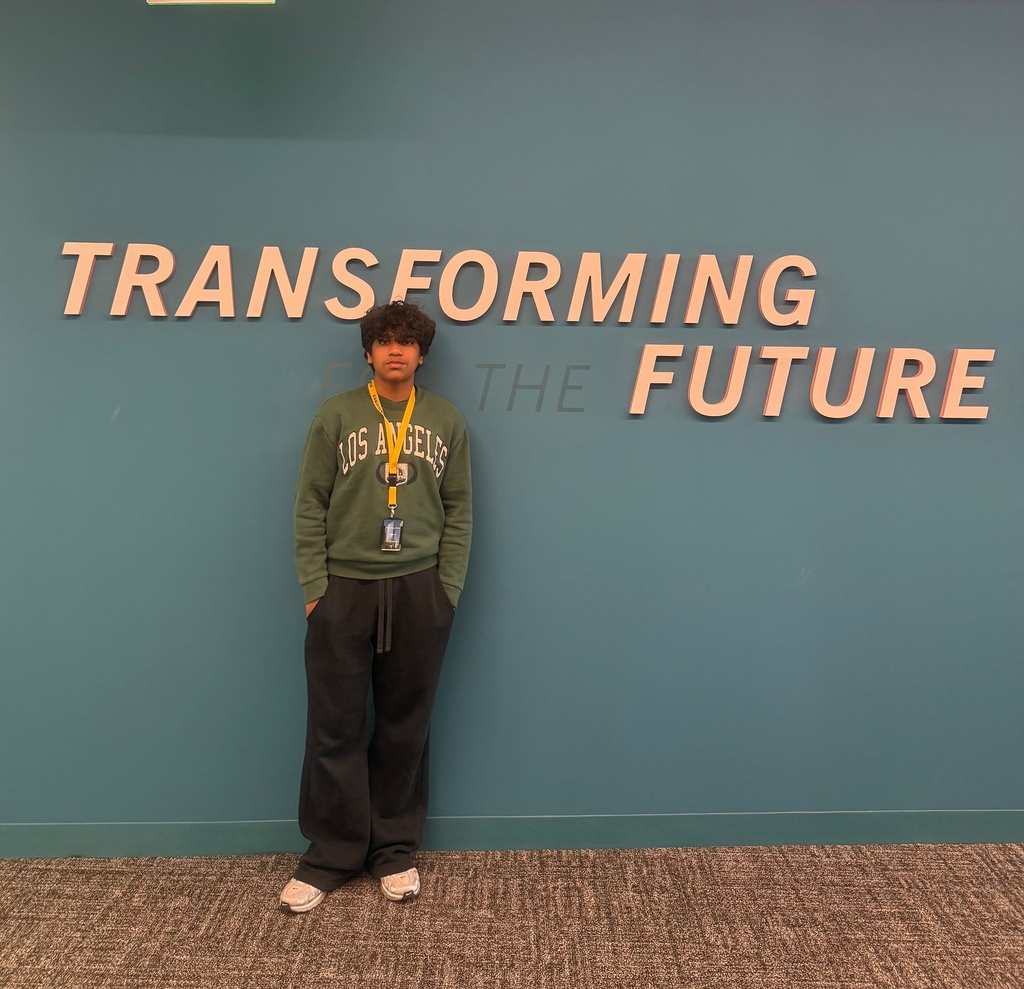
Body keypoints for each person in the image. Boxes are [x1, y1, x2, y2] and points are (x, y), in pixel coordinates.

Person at [280, 300, 472, 912]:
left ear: (421, 354)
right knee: (334, 726)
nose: (396, 351)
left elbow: (460, 509)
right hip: (344, 589)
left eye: (407, 342)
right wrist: (316, 587)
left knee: (404, 724)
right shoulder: (336, 416)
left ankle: (393, 849)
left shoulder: (445, 421)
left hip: (419, 589)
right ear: (368, 353)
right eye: (384, 341)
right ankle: (330, 854)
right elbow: (309, 503)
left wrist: (448, 589)